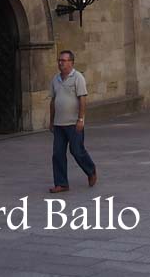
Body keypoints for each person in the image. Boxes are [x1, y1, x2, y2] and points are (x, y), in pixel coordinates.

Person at [48, 49, 97, 192]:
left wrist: (81, 119)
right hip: (59, 124)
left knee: (77, 151)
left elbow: (82, 99)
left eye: (64, 61)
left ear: (71, 62)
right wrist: (51, 121)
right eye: (59, 60)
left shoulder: (78, 78)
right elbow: (53, 101)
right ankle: (61, 183)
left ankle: (91, 170)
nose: (61, 63)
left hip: (73, 123)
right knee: (57, 153)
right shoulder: (55, 79)